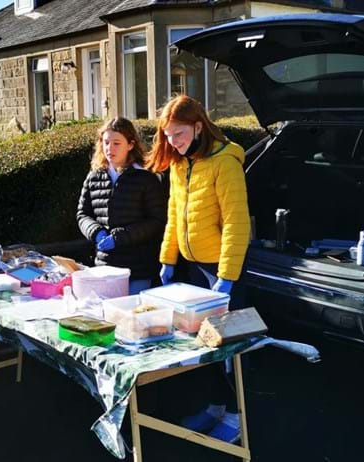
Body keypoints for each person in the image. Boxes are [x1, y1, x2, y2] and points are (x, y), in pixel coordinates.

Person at [148, 95, 251, 442]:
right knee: (201, 345)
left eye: (178, 134)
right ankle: (216, 407)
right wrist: (167, 258)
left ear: (197, 126)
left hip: (221, 270)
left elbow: (237, 223)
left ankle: (237, 418)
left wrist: (227, 277)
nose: (172, 143)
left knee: (228, 349)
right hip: (193, 271)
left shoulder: (225, 161)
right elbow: (174, 216)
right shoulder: (180, 165)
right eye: (167, 136)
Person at [77, 117, 166, 295]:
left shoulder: (146, 178)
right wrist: (95, 232)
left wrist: (120, 237)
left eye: (117, 143)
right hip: (105, 266)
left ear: (131, 145)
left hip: (138, 268)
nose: (110, 148)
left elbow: (156, 221)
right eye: (106, 142)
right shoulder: (94, 177)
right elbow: (82, 214)